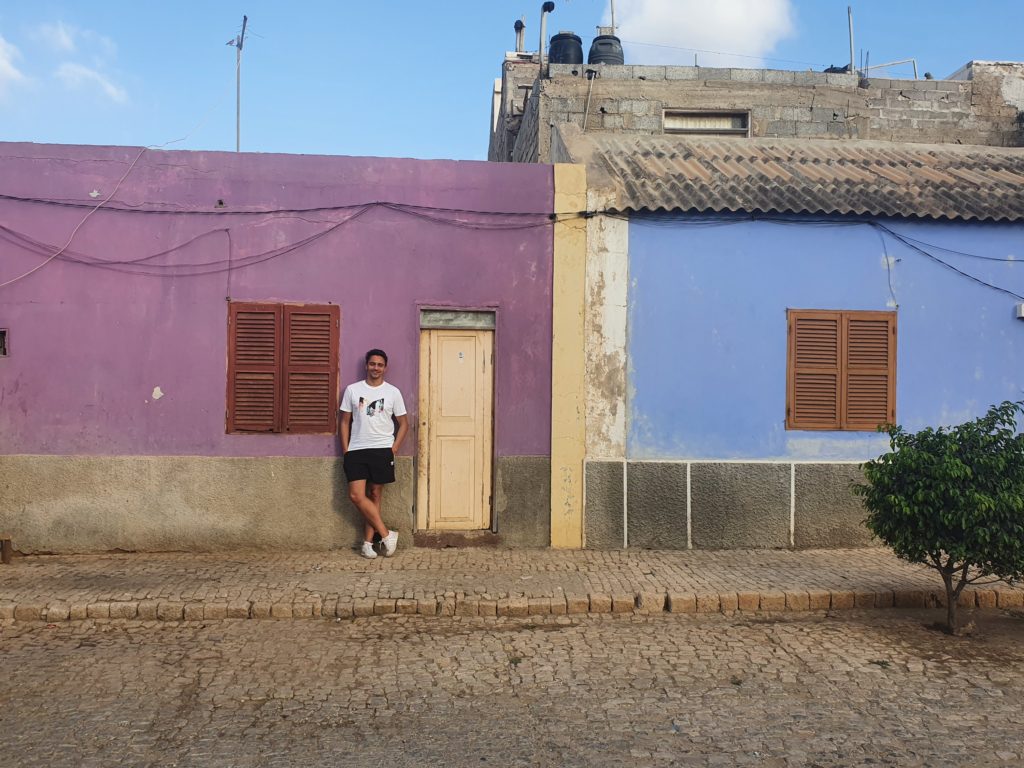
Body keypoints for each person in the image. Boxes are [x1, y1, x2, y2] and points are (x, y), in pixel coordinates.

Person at [339, 348, 409, 558]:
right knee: (356, 495)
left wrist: (394, 448)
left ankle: (368, 543)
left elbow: (404, 424)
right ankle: (387, 535)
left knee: (375, 494)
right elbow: (344, 422)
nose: (376, 368)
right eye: (372, 364)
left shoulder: (393, 392)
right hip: (357, 450)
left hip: (382, 449)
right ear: (366, 365)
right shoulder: (352, 390)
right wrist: (346, 450)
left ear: (385, 368)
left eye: (380, 364)